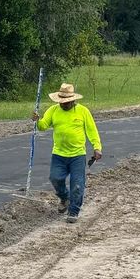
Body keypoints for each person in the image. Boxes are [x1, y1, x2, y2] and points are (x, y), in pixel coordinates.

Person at [32, 82, 103, 222]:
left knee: (77, 184)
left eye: (67, 102)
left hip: (77, 155)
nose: (64, 104)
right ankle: (65, 198)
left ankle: (73, 211)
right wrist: (37, 120)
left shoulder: (83, 111)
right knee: (55, 178)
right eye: (62, 102)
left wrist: (97, 147)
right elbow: (43, 126)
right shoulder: (53, 110)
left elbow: (92, 130)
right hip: (59, 154)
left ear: (73, 100)